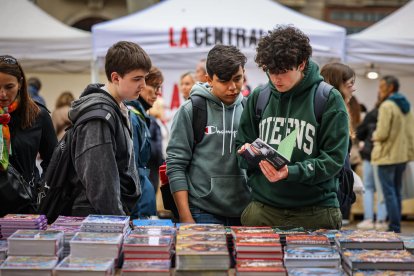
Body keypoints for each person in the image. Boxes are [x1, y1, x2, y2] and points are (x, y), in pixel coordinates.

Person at [236, 25, 349, 230]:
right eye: (270, 71)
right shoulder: (259, 97)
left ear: (302, 64)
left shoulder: (328, 98)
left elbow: (334, 159)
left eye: (283, 71)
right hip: (264, 209)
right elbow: (242, 142)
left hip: (315, 212)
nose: (276, 78)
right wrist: (246, 155)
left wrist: (292, 171)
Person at [166, 44, 251, 225]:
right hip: (202, 211)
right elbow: (175, 165)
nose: (232, 87)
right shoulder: (192, 110)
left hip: (246, 211)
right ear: (209, 79)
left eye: (237, 78)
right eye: (223, 81)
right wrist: (185, 216)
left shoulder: (250, 109)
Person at [68, 41, 151, 216]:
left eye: (145, 77)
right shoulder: (99, 118)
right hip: (97, 218)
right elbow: (100, 183)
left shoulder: (117, 108)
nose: (143, 85)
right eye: (136, 79)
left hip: (107, 216)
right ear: (115, 78)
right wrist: (117, 219)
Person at [0, 55, 57, 215]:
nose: (2, 94)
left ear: (20, 83)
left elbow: (53, 161)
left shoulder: (38, 116)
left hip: (25, 207)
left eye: (9, 87)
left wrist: (40, 192)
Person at [371, 75, 414, 233]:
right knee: (396, 191)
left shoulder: (387, 105)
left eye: (381, 86)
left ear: (390, 88)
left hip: (387, 156)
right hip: (402, 156)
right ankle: (396, 226)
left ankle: (394, 227)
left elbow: (382, 133)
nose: (379, 90)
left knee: (389, 193)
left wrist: (373, 136)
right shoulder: (406, 106)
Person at [320, 62, 358, 226]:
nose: (353, 89)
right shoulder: (331, 111)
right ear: (336, 84)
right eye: (349, 85)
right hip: (329, 191)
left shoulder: (340, 108)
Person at [126, 66, 163, 219]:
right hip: (137, 203)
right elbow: (131, 167)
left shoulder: (140, 116)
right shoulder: (133, 118)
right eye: (154, 86)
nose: (157, 92)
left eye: (159, 87)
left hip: (143, 198)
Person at [356, 97, 388, 231]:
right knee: (382, 189)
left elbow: (360, 133)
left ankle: (368, 219)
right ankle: (381, 221)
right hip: (384, 155)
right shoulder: (391, 112)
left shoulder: (371, 113)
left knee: (368, 188)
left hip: (369, 154)